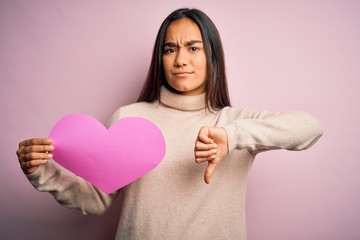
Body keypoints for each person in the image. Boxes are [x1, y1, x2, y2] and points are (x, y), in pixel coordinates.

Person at [16, 8, 324, 240]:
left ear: (212, 57)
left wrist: (231, 137)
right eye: (169, 49)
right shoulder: (129, 118)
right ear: (160, 58)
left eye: (193, 47)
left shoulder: (233, 123)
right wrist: (42, 171)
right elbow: (97, 200)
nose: (180, 60)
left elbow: (310, 126)